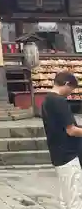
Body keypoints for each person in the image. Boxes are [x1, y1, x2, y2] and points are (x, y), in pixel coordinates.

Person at [41, 71, 82, 209]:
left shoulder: (47, 99)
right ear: (66, 84)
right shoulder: (59, 101)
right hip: (68, 154)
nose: (70, 93)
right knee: (74, 197)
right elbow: (71, 130)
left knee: (65, 198)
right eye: (71, 89)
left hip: (57, 152)